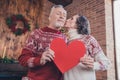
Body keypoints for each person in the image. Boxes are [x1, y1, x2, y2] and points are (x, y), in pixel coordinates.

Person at [18, 5, 67, 80]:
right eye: (58, 13)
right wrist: (40, 60)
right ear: (50, 17)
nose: (62, 16)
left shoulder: (65, 38)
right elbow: (23, 59)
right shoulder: (37, 33)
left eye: (64, 15)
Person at [63, 15, 111, 80]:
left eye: (71, 19)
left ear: (78, 24)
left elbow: (106, 63)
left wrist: (93, 64)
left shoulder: (89, 39)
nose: (67, 19)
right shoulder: (65, 42)